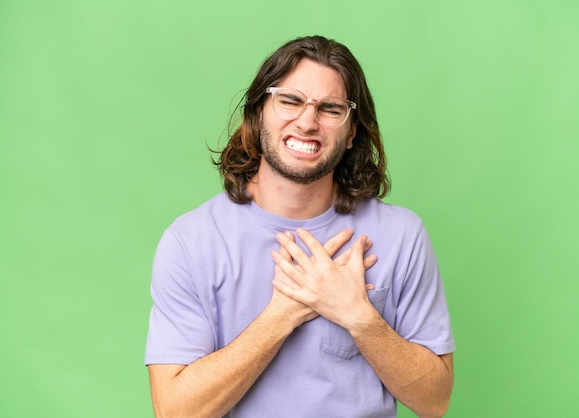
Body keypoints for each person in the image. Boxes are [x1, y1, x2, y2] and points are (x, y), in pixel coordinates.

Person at [145, 35, 455, 418]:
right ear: (259, 113)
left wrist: (357, 316)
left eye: (330, 108)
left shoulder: (403, 235)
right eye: (290, 100)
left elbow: (435, 400)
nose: (307, 122)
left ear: (352, 131)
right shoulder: (191, 242)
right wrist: (284, 313)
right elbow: (174, 412)